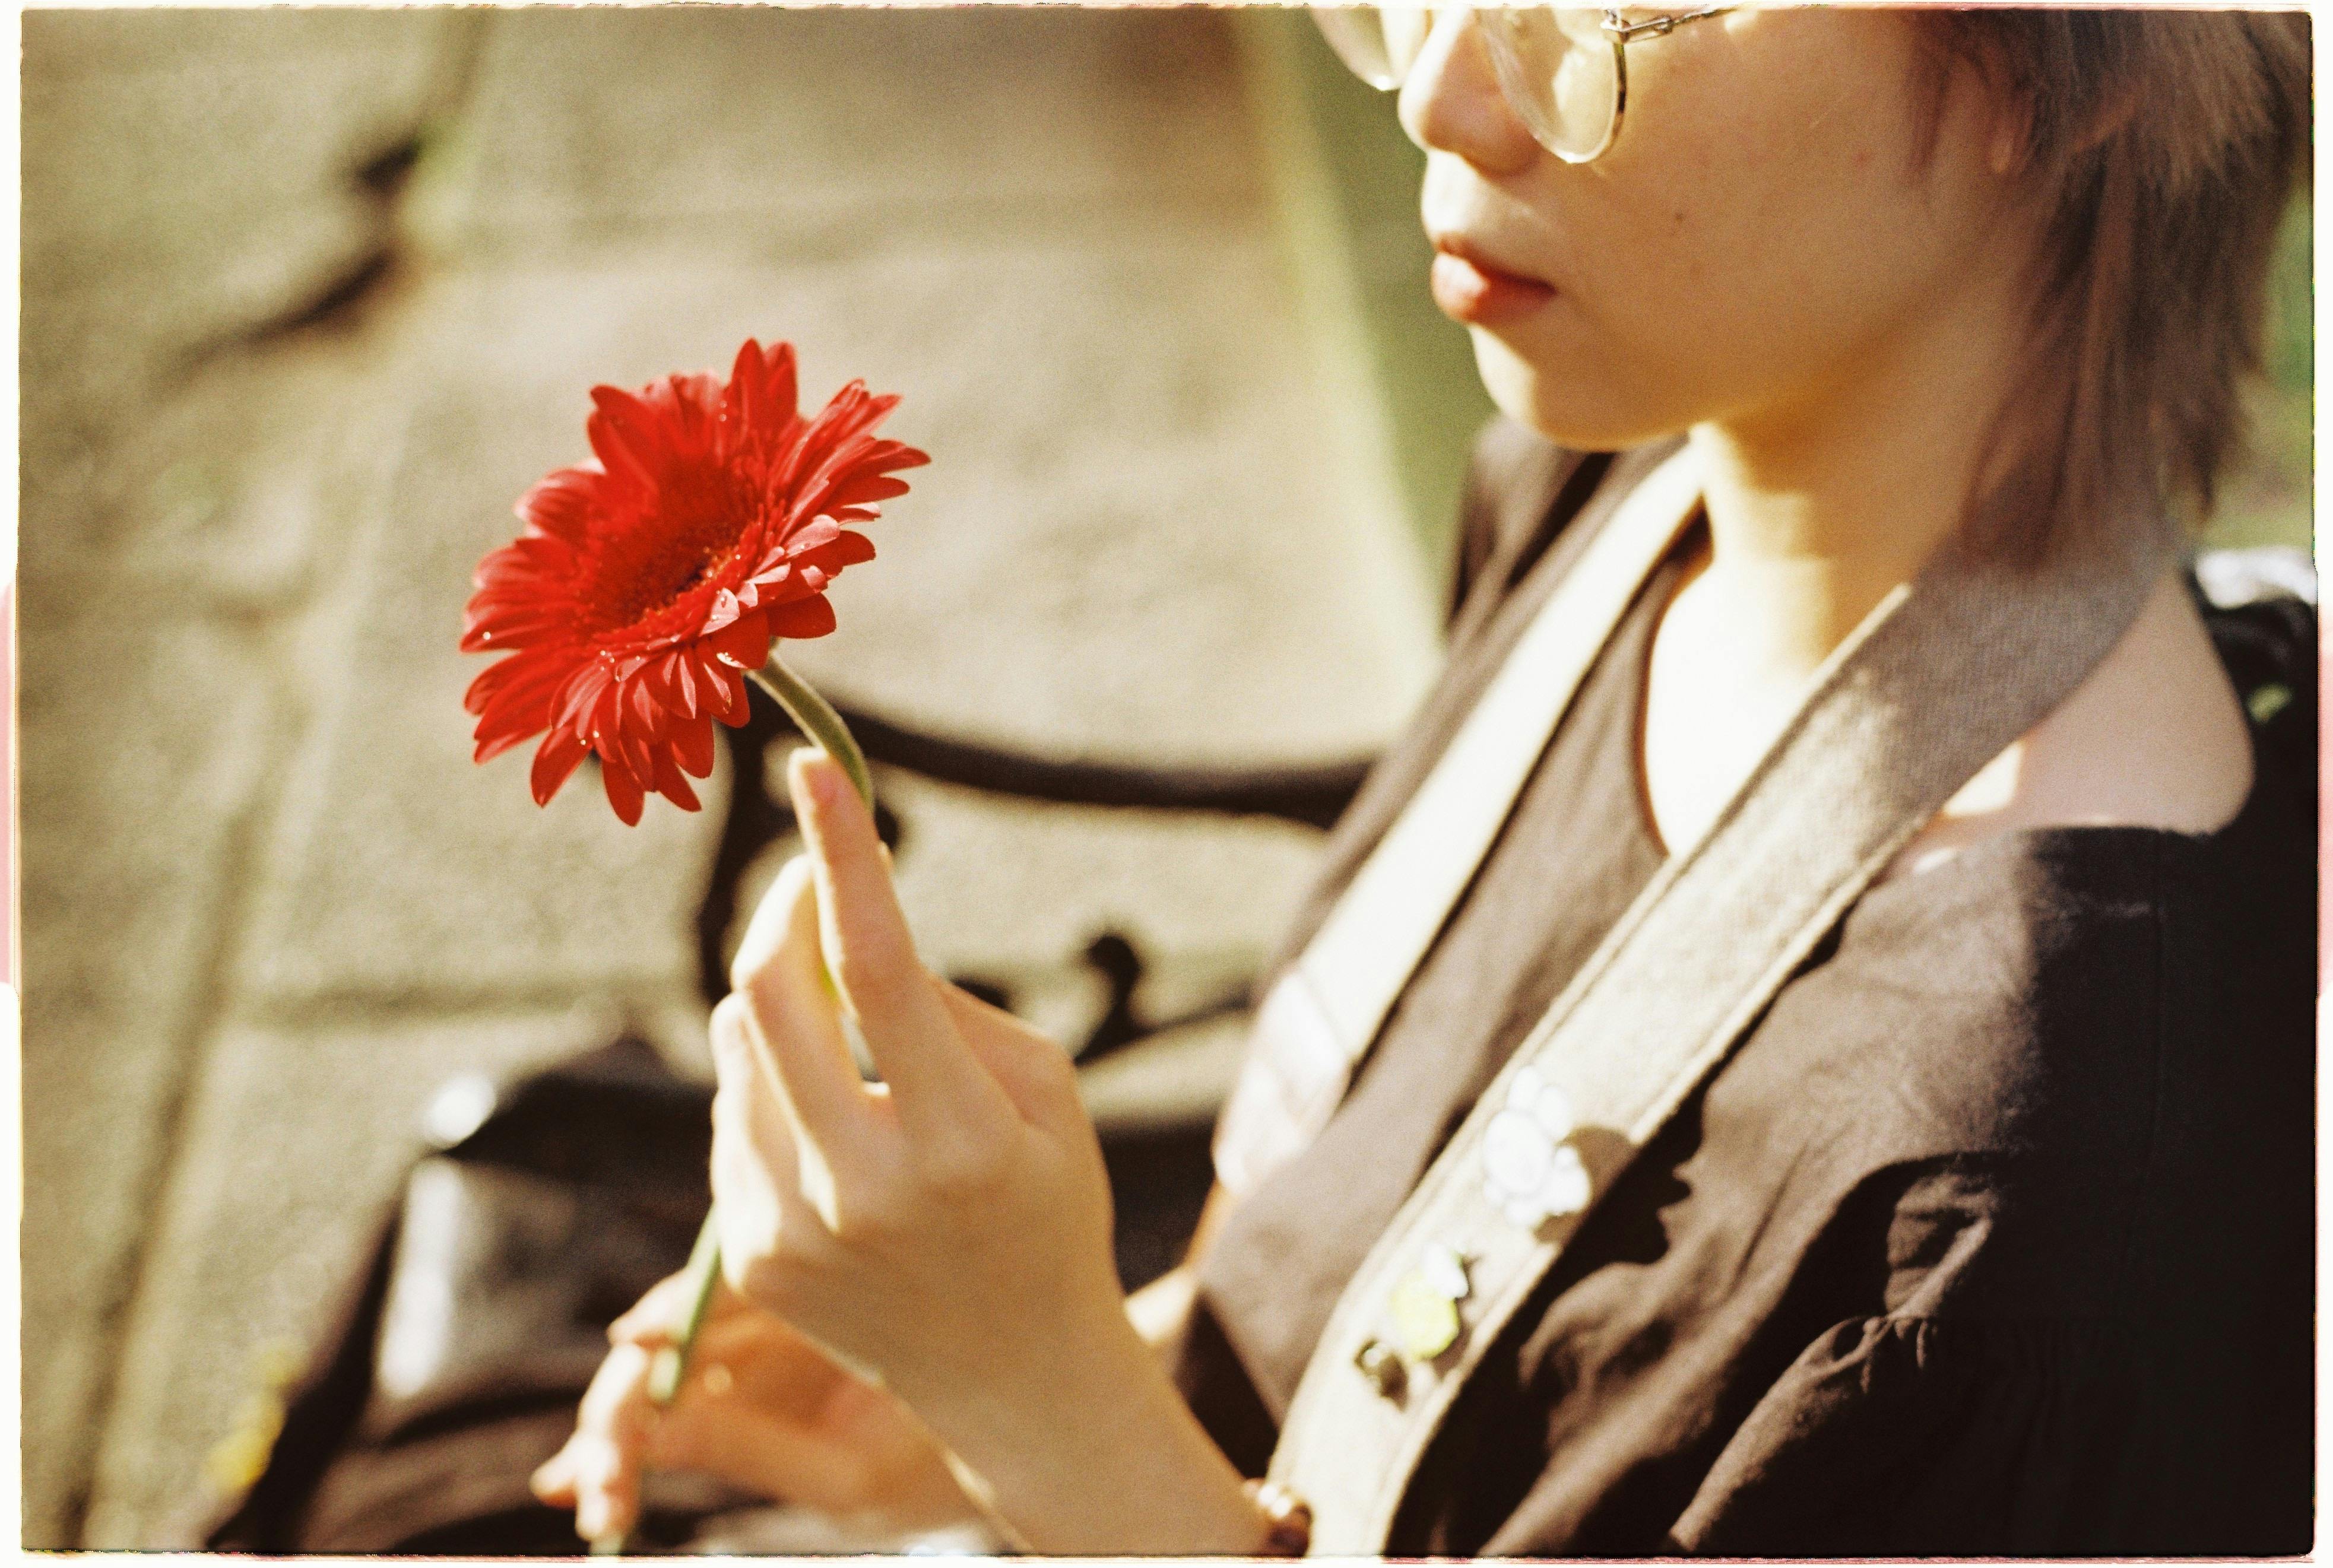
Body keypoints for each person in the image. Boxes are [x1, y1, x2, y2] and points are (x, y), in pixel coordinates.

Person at [532, 7, 2314, 1554]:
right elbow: (1348, 1273)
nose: (1444, 94)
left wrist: (1043, 1408)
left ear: (2071, 63)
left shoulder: (2007, 1217)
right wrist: (995, 1378)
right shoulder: (1618, 495)